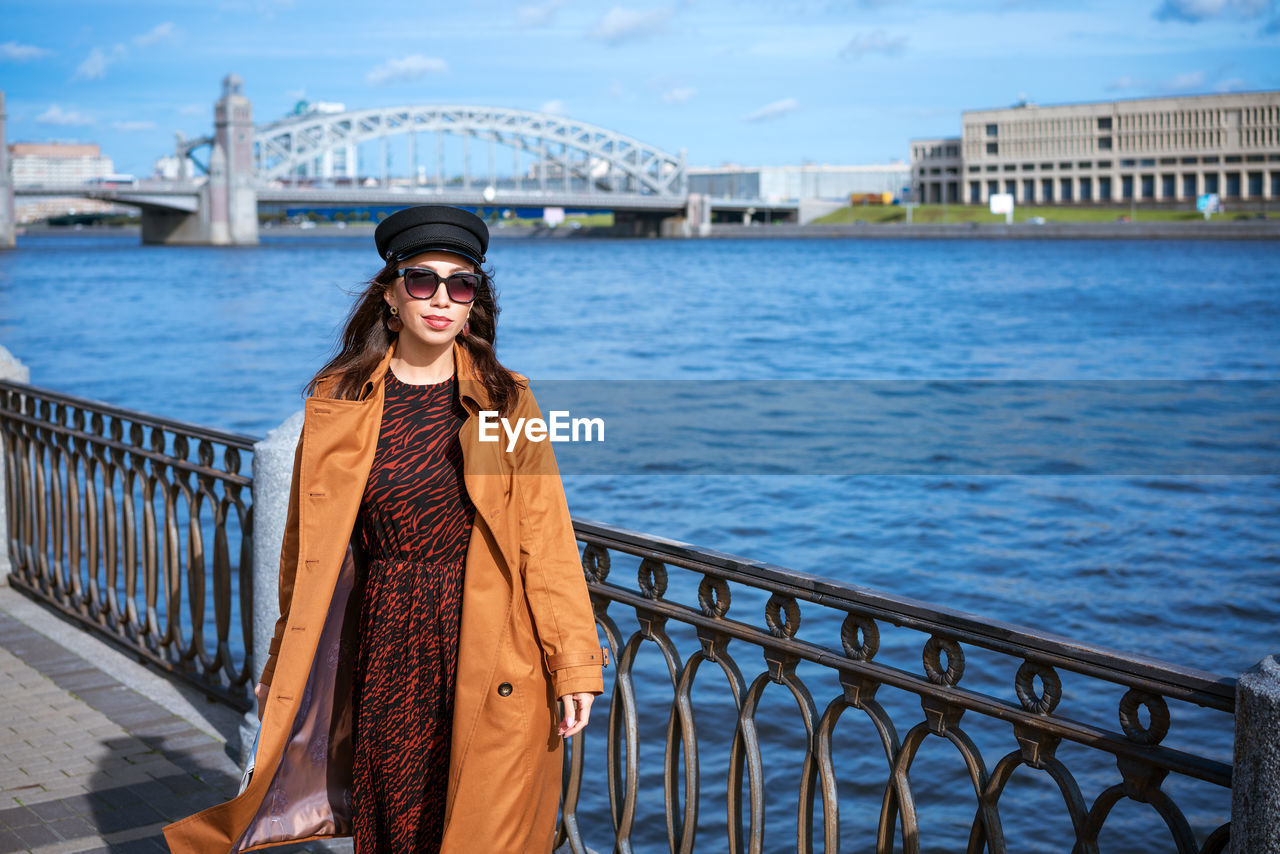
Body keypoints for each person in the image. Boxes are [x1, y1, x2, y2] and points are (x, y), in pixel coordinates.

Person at [162, 205, 608, 854]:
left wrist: (574, 665)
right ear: (392, 295)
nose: (442, 299)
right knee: (398, 821)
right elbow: (305, 551)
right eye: (422, 280)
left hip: (491, 640)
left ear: (474, 302)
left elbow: (546, 537)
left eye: (462, 285)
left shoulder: (508, 400)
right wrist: (284, 656)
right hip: (388, 637)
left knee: (485, 823)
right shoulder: (339, 400)